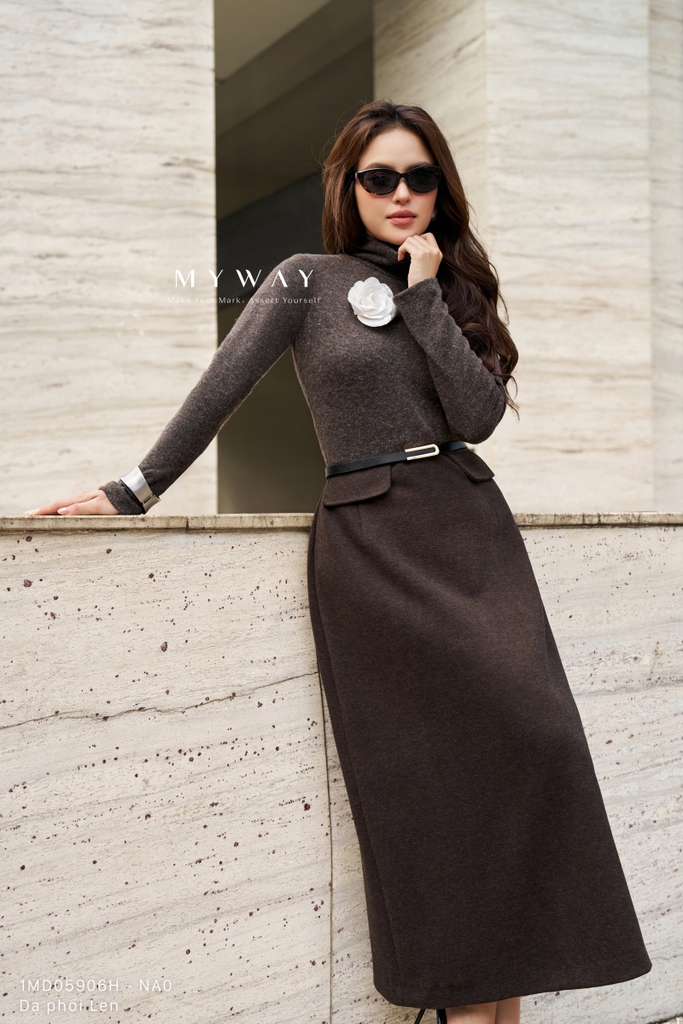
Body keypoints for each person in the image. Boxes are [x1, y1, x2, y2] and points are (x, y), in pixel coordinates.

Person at [27, 100, 652, 1024]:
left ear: (440, 189)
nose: (401, 194)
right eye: (379, 178)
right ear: (347, 187)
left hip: (470, 529)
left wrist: (424, 293)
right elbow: (221, 385)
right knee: (430, 790)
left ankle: (495, 994)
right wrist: (133, 489)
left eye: (419, 177)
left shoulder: (451, 288)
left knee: (536, 743)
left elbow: (476, 418)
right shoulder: (303, 280)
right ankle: (460, 998)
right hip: (374, 545)